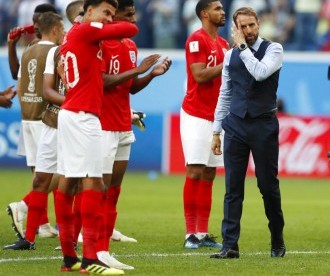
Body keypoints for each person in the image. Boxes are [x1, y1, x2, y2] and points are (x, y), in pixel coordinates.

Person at [54, 0, 138, 274]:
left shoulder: (74, 36)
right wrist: (110, 23)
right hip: (84, 116)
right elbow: (130, 29)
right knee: (94, 184)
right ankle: (90, 259)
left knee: (68, 183)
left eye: (112, 14)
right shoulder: (86, 31)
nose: (110, 18)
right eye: (106, 12)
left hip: (70, 112)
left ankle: (69, 257)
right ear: (89, 11)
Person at [96, 0, 171, 269]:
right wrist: (136, 70)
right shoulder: (101, 44)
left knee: (114, 190)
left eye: (134, 16)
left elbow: (129, 87)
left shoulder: (129, 46)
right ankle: (95, 249)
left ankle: (104, 249)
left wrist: (151, 75)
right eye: (128, 16)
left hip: (123, 125)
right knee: (100, 189)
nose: (133, 21)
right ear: (113, 16)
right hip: (102, 125)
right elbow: (101, 81)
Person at [210, 7, 285, 259]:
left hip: (263, 124)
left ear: (259, 23)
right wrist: (216, 130)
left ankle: (277, 239)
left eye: (251, 25)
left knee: (267, 186)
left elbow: (260, 73)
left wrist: (242, 49)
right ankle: (229, 245)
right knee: (232, 188)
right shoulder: (229, 55)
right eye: (242, 27)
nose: (248, 31)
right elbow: (225, 93)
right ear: (235, 28)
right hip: (236, 125)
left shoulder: (274, 49)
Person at [7, 9, 62, 242]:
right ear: (56, 29)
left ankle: (36, 229)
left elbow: (20, 86)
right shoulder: (56, 52)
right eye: (63, 29)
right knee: (63, 173)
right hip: (45, 120)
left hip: (28, 119)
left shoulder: (28, 50)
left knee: (40, 176)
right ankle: (25, 204)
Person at [180, 0, 228, 249]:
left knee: (209, 173)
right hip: (196, 114)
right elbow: (199, 75)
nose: (222, 12)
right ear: (204, 13)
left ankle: (202, 232)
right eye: (218, 8)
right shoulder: (196, 40)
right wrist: (227, 63)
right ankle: (190, 233)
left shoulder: (223, 43)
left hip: (216, 117)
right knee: (195, 170)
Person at [7, 3, 57, 80]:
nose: (35, 26)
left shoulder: (61, 45)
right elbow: (16, 75)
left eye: (39, 22)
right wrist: (11, 45)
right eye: (34, 22)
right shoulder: (32, 46)